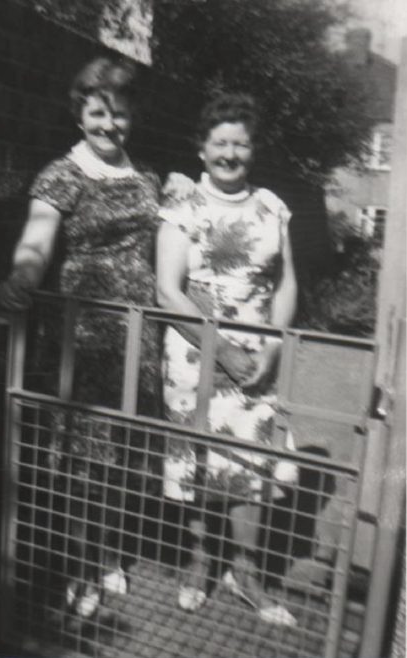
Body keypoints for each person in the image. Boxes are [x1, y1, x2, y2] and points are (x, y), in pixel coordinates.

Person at [0, 56, 161, 618]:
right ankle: (81, 565)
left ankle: (110, 553)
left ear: (132, 116)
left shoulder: (149, 179)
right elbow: (37, 239)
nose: (109, 125)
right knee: (82, 459)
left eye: (119, 114)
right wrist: (23, 277)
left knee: (119, 455)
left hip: (138, 333)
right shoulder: (60, 174)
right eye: (98, 113)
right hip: (84, 334)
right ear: (80, 114)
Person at [156, 93, 298, 625]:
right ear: (202, 146)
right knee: (200, 462)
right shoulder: (181, 208)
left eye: (240, 143)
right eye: (220, 142)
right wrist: (222, 350)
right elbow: (168, 291)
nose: (230, 153)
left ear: (252, 149)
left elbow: (285, 284)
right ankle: (200, 563)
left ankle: (246, 571)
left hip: (257, 358)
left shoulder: (273, 207)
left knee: (249, 465)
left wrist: (275, 344)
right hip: (196, 354)